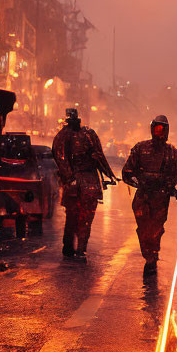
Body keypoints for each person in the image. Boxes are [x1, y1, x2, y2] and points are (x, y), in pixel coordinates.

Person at [122, 115, 177, 275]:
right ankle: (149, 255)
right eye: (156, 128)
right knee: (144, 229)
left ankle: (152, 257)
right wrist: (139, 183)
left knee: (156, 229)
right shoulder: (140, 148)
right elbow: (127, 172)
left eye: (162, 129)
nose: (159, 132)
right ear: (152, 129)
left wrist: (171, 189)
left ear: (166, 131)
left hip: (160, 198)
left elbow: (173, 176)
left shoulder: (172, 152)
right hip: (143, 197)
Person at [52, 108, 115, 260]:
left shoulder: (88, 134)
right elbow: (61, 159)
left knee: (85, 217)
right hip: (76, 183)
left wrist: (109, 174)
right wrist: (69, 177)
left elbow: (99, 156)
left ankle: (80, 249)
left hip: (87, 182)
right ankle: (70, 247)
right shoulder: (65, 135)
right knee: (74, 217)